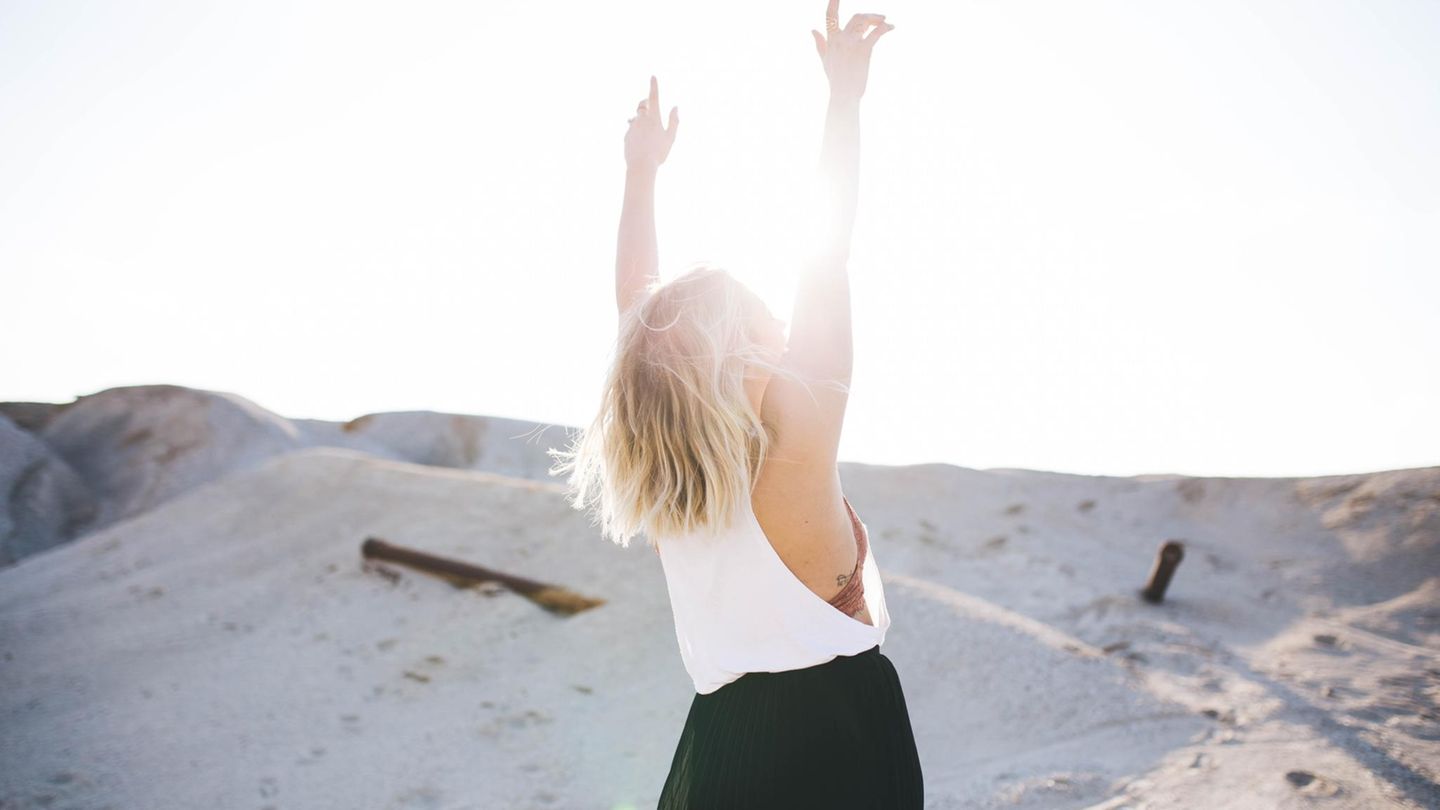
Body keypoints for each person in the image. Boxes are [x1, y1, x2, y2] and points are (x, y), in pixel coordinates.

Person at [549, 2, 921, 806]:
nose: (784, 332)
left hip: (717, 744)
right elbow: (828, 257)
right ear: (735, 350)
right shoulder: (796, 437)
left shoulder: (673, 488)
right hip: (838, 741)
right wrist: (844, 100)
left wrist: (641, 173)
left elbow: (636, 311)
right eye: (766, 322)